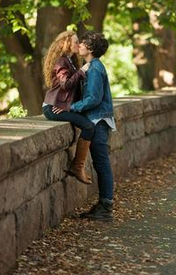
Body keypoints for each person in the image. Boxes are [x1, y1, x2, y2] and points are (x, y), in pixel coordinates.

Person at [69, 31, 116, 221]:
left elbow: (94, 99)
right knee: (101, 163)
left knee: (102, 163)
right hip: (97, 119)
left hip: (98, 120)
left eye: (82, 43)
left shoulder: (95, 68)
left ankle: (106, 208)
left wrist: (71, 107)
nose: (79, 45)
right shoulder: (92, 66)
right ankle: (104, 205)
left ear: (90, 48)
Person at [42, 30, 95, 185]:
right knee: (88, 126)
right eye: (75, 42)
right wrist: (82, 71)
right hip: (52, 108)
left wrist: (70, 106)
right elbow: (65, 84)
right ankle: (77, 167)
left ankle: (78, 167)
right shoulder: (61, 62)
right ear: (66, 43)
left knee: (89, 125)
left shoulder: (70, 60)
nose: (78, 44)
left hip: (60, 106)